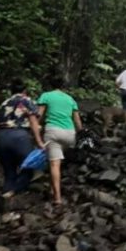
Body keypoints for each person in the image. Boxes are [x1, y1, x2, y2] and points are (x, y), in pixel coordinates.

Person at [37, 77, 83, 206]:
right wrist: (81, 133)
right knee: (59, 161)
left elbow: (39, 115)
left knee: (54, 164)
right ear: (63, 86)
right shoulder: (70, 99)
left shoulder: (46, 96)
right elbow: (77, 121)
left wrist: (36, 128)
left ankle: (57, 198)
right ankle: (55, 187)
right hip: (69, 133)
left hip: (53, 132)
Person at [0, 80, 44, 197]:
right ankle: (15, 192)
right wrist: (39, 141)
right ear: (25, 90)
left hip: (2, 136)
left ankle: (5, 201)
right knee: (29, 166)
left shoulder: (4, 103)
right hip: (19, 136)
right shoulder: (26, 100)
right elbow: (33, 122)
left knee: (9, 172)